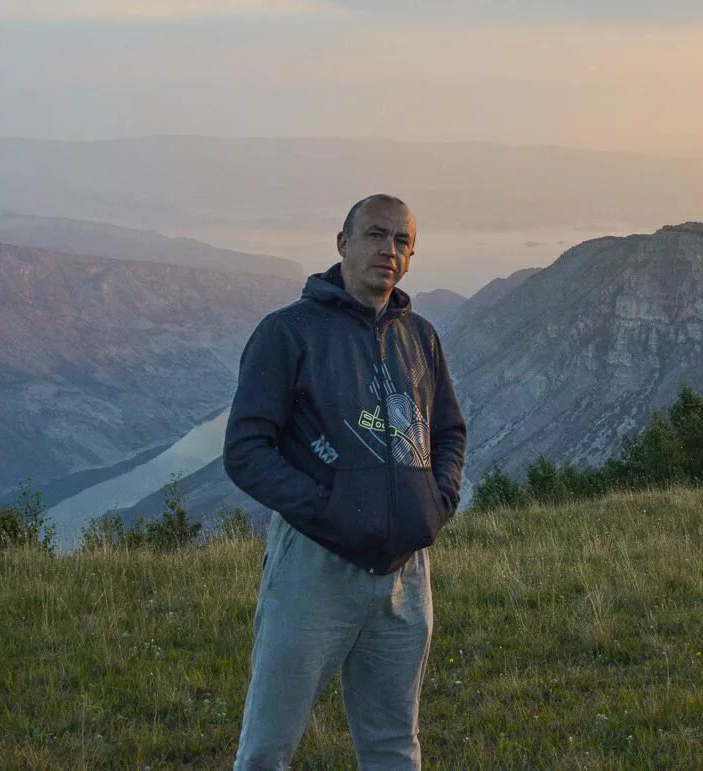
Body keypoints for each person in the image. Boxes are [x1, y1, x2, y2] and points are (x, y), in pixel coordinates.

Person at [223, 194, 466, 770]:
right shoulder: (289, 333)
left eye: (403, 241)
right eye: (377, 235)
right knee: (268, 747)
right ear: (343, 243)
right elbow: (245, 449)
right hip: (314, 565)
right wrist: (326, 510)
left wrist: (438, 502)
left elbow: (449, 429)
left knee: (392, 744)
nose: (390, 250)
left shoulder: (421, 337)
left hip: (405, 574)